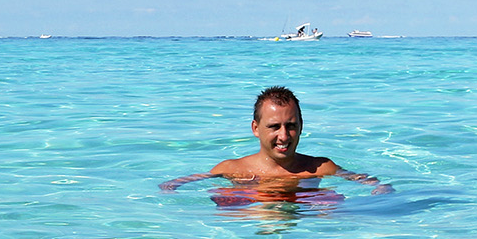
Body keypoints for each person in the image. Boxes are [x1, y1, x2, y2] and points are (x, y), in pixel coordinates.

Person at [162, 86, 386, 194]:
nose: (284, 136)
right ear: (256, 128)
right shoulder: (231, 168)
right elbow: (176, 184)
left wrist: (379, 189)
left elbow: (370, 182)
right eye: (274, 127)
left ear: (301, 126)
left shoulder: (320, 167)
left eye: (291, 126)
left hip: (304, 219)